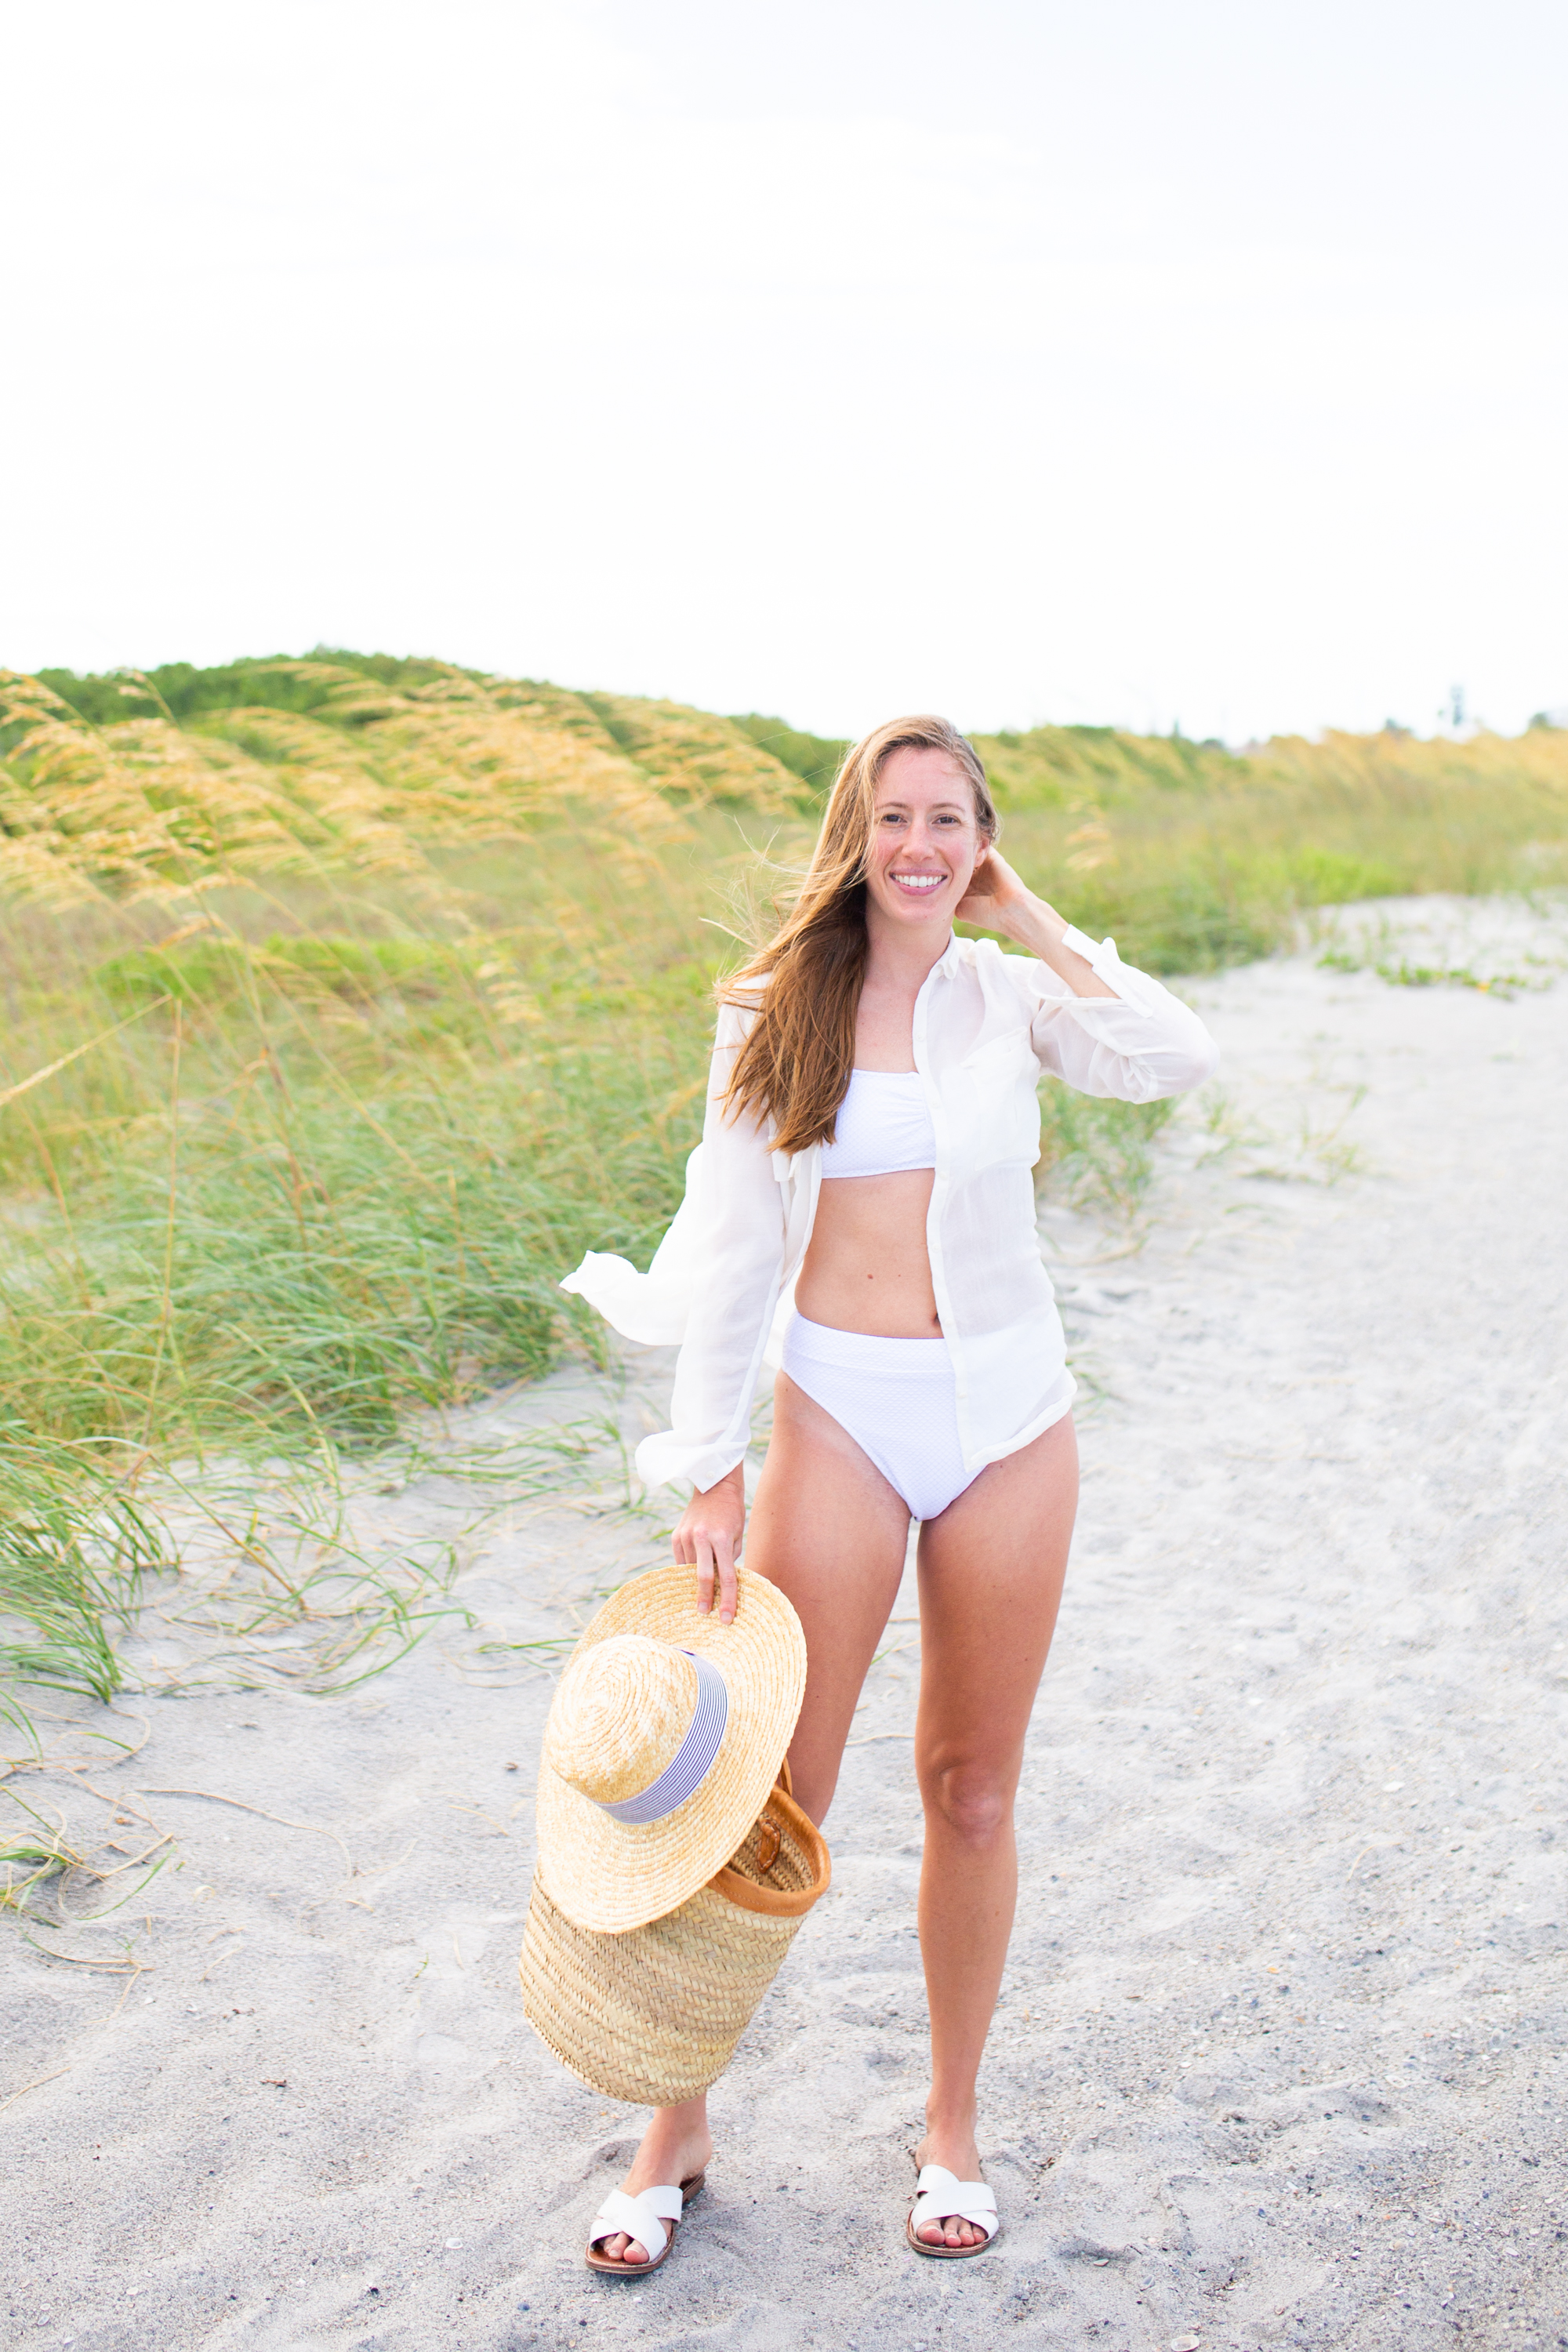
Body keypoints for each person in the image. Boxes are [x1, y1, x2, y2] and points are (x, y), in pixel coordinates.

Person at [561, 714, 1218, 2263]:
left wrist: (1035, 920)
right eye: (893, 818)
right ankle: (673, 2131)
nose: (919, 846)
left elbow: (1176, 1059)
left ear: (978, 838)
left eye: (948, 820)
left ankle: (949, 2132)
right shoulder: (776, 1007)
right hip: (842, 1411)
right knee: (767, 1797)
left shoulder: (1004, 995)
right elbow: (730, 1248)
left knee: (970, 1791)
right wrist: (706, 1465)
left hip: (1008, 1418)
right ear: (851, 836)